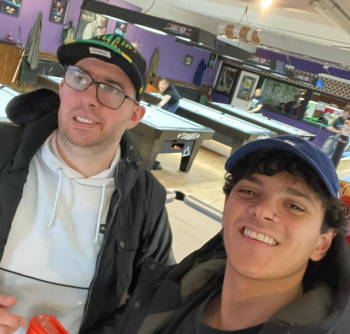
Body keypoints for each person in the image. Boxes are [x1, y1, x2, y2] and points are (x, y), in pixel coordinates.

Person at [0, 34, 173, 334]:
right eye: (80, 78)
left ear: (134, 115)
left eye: (111, 89)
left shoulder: (147, 199)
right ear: (63, 87)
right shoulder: (2, 148)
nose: (88, 97)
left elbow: (154, 301)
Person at [117, 135, 350, 334]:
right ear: (226, 210)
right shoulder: (166, 293)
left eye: (294, 206)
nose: (262, 210)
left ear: (322, 243)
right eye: (249, 191)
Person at [152, 78, 181, 170]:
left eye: (161, 87)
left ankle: (167, 132)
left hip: (174, 103)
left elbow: (165, 100)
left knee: (167, 116)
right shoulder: (165, 87)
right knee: (161, 114)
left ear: (166, 86)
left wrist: (159, 106)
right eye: (159, 87)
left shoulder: (170, 91)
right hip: (169, 102)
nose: (160, 89)